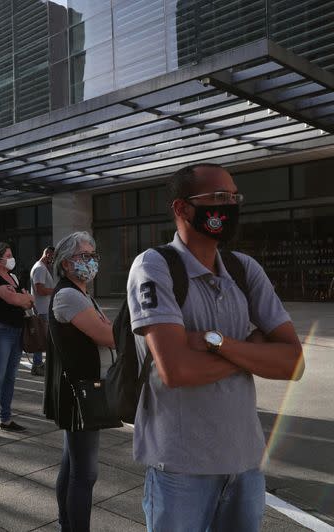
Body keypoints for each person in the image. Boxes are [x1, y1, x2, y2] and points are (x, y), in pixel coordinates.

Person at [127, 163, 303, 532]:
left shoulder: (244, 269)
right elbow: (177, 371)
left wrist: (216, 343)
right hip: (180, 467)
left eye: (234, 197)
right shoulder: (154, 267)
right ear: (182, 208)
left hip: (245, 464)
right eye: (218, 198)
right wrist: (252, 352)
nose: (230, 205)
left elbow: (294, 362)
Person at [44, 232, 114, 532]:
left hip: (80, 389)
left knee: (71, 465)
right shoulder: (69, 295)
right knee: (85, 475)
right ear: (66, 263)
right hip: (81, 394)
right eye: (83, 256)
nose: (91, 261)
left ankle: (66, 524)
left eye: (93, 255)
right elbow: (107, 334)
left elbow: (105, 328)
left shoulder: (81, 294)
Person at [0, 242, 35, 441]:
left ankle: (6, 419)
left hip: (17, 330)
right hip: (0, 330)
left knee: (10, 377)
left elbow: (30, 300)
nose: (12, 258)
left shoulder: (12, 277)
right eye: (8, 255)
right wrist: (21, 297)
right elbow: (16, 300)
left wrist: (22, 297)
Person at [29, 246, 55, 376]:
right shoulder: (40, 268)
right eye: (53, 256)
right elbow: (40, 290)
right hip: (43, 309)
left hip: (43, 308)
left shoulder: (41, 267)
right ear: (48, 254)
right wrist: (56, 290)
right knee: (43, 338)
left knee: (42, 338)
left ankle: (38, 364)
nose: (54, 260)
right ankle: (38, 365)